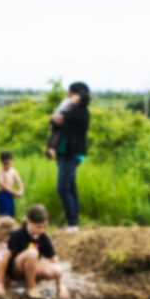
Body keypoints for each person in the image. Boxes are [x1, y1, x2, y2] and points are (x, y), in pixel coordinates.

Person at [0, 205, 69, 299]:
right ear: (28, 222)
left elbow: (54, 260)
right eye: (38, 227)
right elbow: (4, 259)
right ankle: (31, 288)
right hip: (16, 270)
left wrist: (60, 287)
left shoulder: (44, 237)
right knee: (33, 252)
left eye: (44, 227)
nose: (42, 230)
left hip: (31, 269)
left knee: (57, 270)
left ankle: (32, 281)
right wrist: (0, 284)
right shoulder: (17, 235)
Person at [47, 81, 90, 234]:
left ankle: (72, 223)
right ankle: (73, 221)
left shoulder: (81, 113)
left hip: (74, 154)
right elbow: (53, 122)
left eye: (72, 93)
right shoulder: (69, 110)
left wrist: (61, 115)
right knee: (70, 187)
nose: (69, 96)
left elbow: (60, 119)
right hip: (63, 152)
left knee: (62, 187)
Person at [0, 151, 24, 217]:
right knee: (5, 212)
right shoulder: (0, 171)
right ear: (1, 163)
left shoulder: (13, 170)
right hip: (3, 194)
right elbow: (2, 184)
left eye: (9, 163)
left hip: (10, 195)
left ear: (12, 161)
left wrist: (21, 190)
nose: (7, 165)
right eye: (5, 164)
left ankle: (11, 222)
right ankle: (4, 222)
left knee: (11, 211)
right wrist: (14, 192)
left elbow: (19, 182)